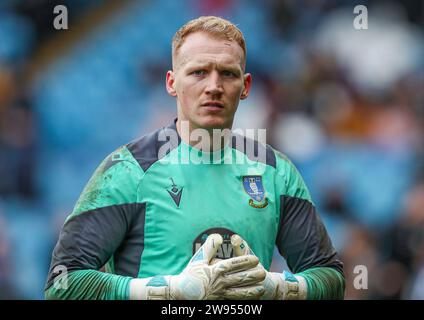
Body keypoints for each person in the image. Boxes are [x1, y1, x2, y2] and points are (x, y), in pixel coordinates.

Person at [45, 16, 345, 300]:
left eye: (227, 73)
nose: (213, 86)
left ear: (246, 86)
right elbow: (63, 281)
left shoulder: (275, 172)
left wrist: (276, 287)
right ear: (172, 83)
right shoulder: (129, 170)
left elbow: (330, 277)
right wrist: (171, 291)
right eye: (198, 72)